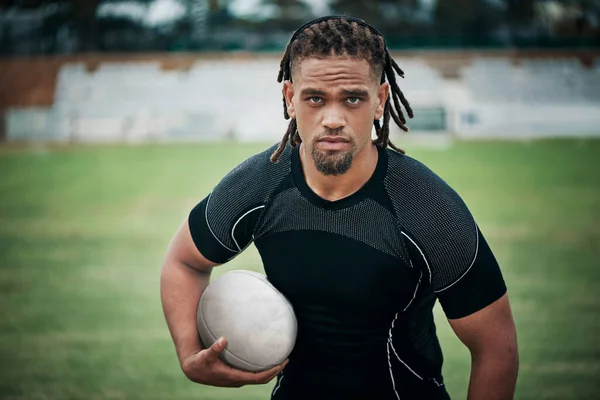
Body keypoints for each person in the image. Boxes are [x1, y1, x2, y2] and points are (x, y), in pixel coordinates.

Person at [161, 15, 519, 400]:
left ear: (379, 100)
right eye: (315, 98)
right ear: (290, 98)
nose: (333, 120)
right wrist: (187, 351)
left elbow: (497, 350)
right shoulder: (260, 185)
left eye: (352, 98)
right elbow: (184, 262)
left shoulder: (428, 208)